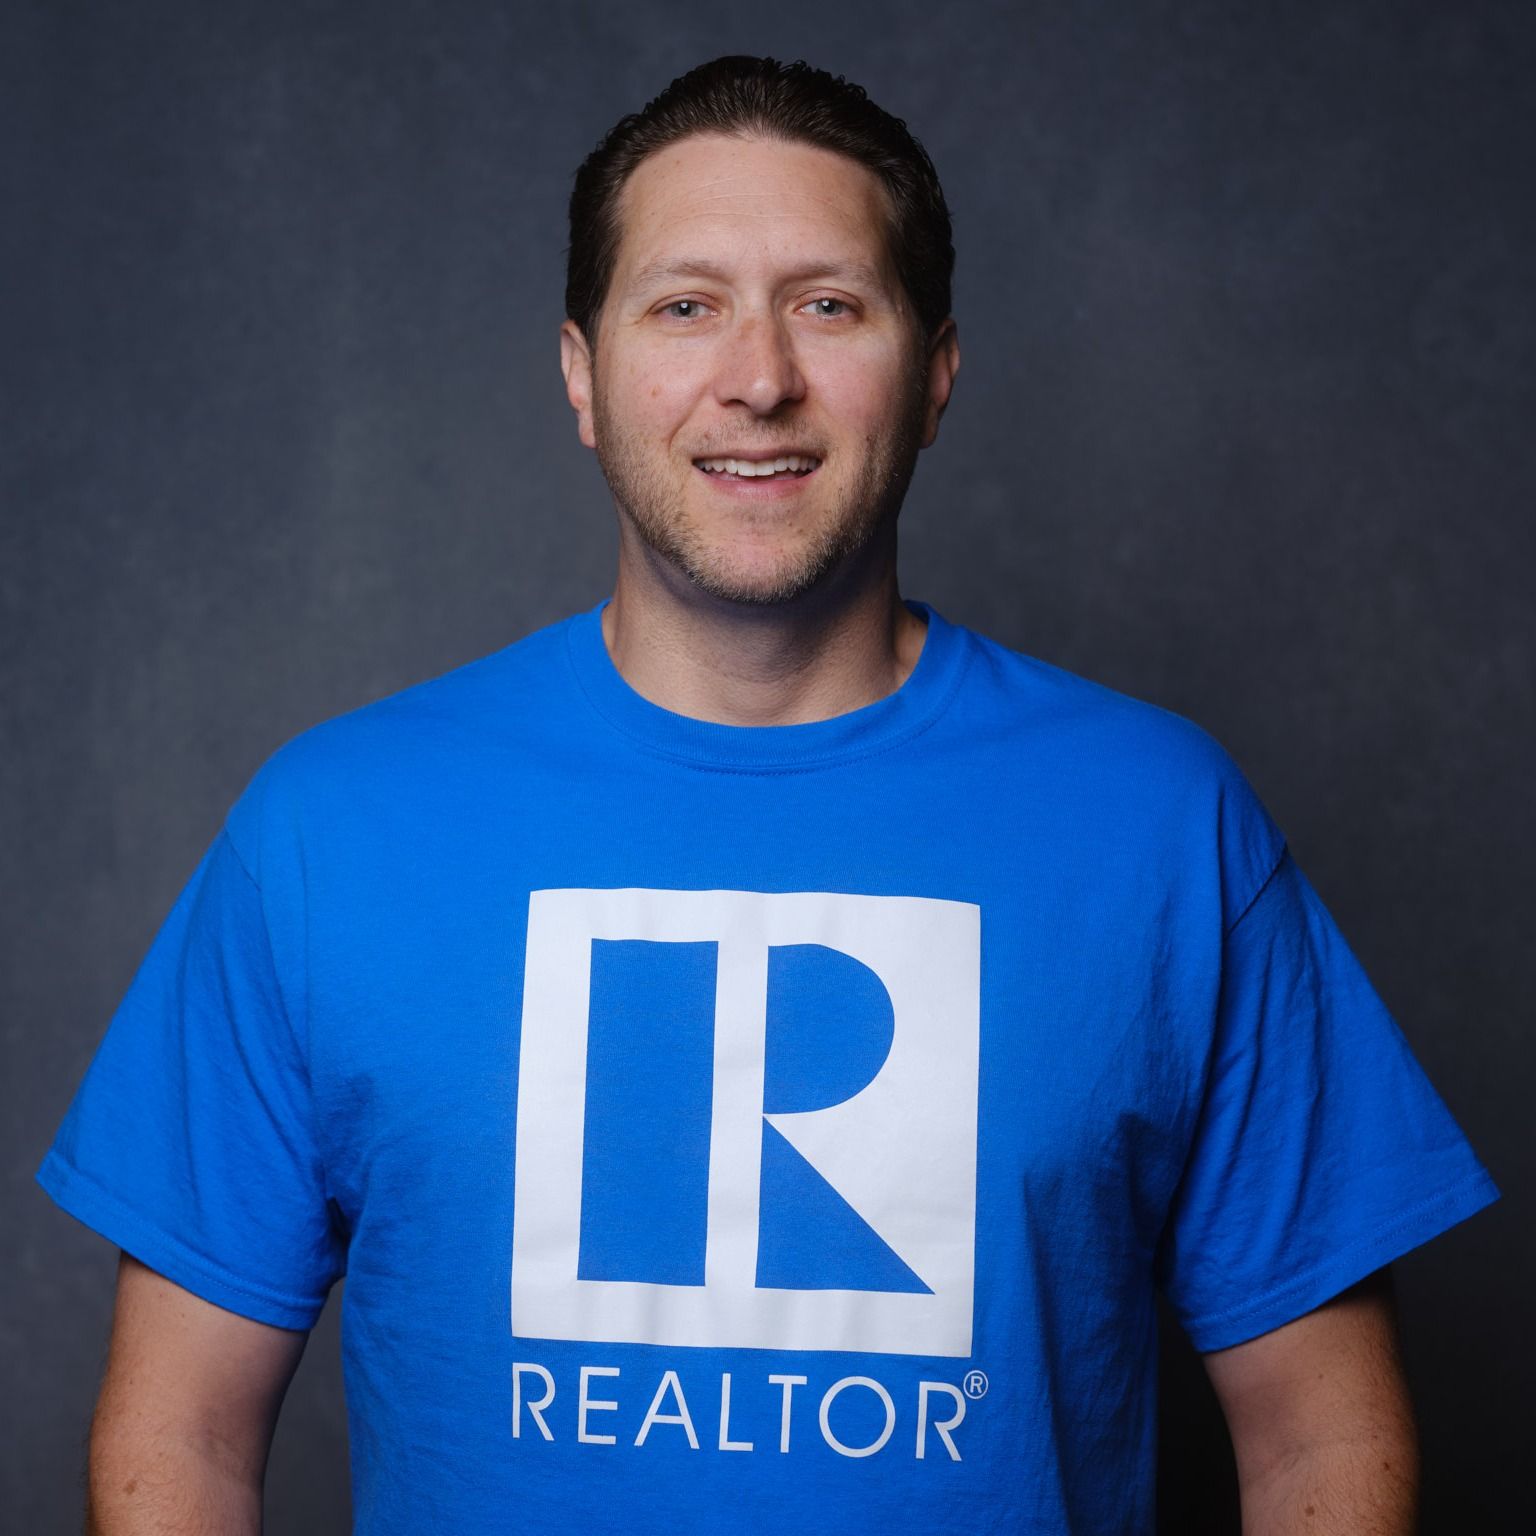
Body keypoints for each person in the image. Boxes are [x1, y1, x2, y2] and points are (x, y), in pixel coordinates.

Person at [38, 54, 1499, 1536]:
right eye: (685, 306)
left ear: (932, 373)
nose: (758, 376)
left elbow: (1322, 1443)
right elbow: (183, 1437)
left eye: (829, 303)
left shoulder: (1166, 825)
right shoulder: (329, 832)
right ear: (582, 375)